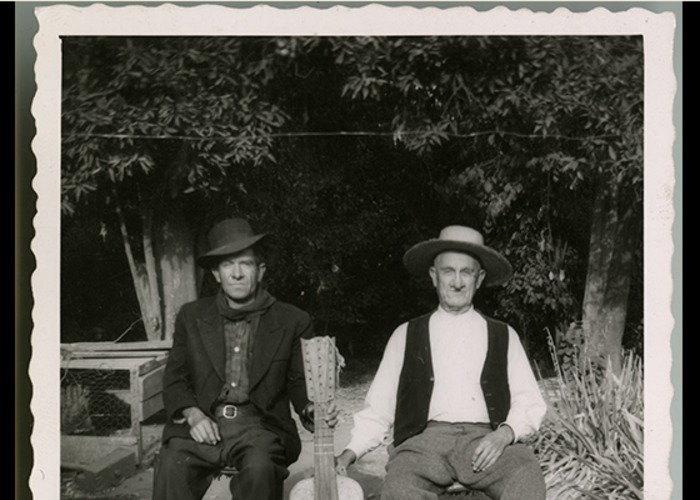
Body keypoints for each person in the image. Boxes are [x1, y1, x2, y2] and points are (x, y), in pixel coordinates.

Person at [335, 225, 548, 500]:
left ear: (479, 278)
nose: (457, 282)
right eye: (448, 271)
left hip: (484, 442)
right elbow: (378, 409)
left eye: (466, 272)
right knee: (399, 488)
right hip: (422, 445)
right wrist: (349, 454)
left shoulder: (503, 335)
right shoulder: (405, 334)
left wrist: (505, 434)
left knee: (525, 474)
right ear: (434, 276)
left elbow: (529, 401)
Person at [153, 217, 336, 500]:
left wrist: (311, 408)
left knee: (260, 468)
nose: (236, 273)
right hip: (204, 424)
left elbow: (300, 383)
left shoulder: (292, 320)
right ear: (216, 273)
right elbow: (175, 377)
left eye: (245, 264)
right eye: (228, 264)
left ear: (260, 271)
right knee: (171, 463)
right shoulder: (191, 317)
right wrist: (193, 414)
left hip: (260, 428)